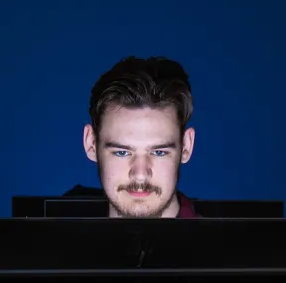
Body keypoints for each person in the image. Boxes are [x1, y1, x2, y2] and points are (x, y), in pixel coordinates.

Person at [83, 56, 200, 218]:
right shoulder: (49, 236)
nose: (140, 175)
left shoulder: (230, 242)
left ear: (186, 146)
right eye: (121, 152)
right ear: (91, 144)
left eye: (159, 152)